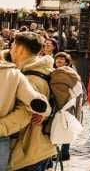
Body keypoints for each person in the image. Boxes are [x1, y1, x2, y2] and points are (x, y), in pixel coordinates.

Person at [0, 35, 51, 171]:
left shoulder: (31, 77)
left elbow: (24, 114)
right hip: (36, 149)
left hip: (28, 152)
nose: (10, 51)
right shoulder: (39, 69)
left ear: (19, 49)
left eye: (12, 47)